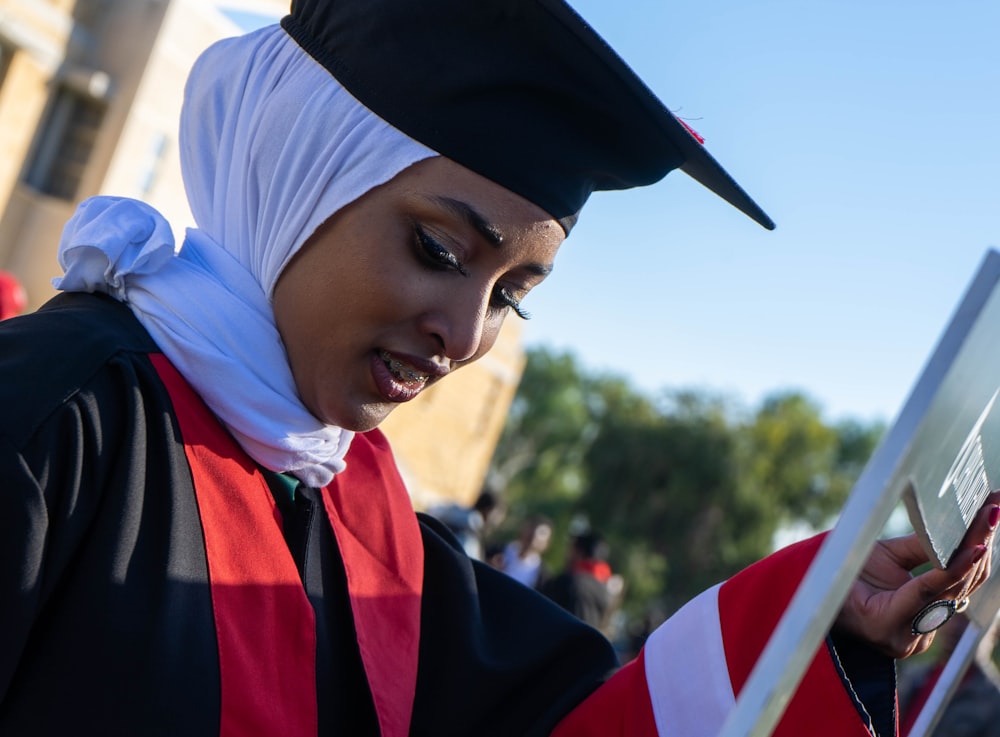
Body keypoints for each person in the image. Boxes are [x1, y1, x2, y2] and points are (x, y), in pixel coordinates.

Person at [1, 0, 997, 735]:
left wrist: (821, 615)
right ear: (298, 172)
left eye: (512, 292)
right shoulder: (55, 414)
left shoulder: (366, 520)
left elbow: (594, 721)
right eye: (439, 249)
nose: (466, 333)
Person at [898, 613, 1000, 737]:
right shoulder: (913, 675)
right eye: (951, 616)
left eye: (967, 620)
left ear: (994, 631)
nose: (954, 627)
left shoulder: (993, 701)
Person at [540, 530, 620, 633]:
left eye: (570, 549)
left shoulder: (568, 581)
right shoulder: (606, 591)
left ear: (579, 553)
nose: (567, 554)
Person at [500, 515, 554, 589]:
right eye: (532, 528)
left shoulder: (544, 578)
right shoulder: (497, 550)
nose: (534, 534)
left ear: (547, 544)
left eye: (542, 533)